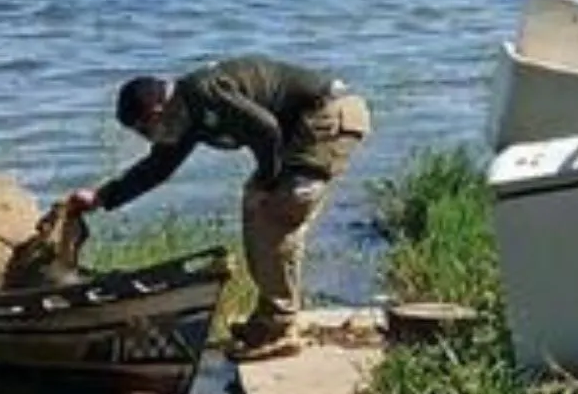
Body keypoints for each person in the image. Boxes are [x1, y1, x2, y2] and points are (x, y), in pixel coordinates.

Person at [66, 55, 373, 359]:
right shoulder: (184, 118)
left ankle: (281, 329)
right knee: (257, 208)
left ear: (156, 111)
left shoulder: (203, 92)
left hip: (329, 115)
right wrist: (102, 197)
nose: (149, 138)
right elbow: (157, 168)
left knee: (277, 210)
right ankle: (269, 319)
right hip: (304, 127)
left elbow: (266, 128)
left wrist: (267, 182)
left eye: (145, 130)